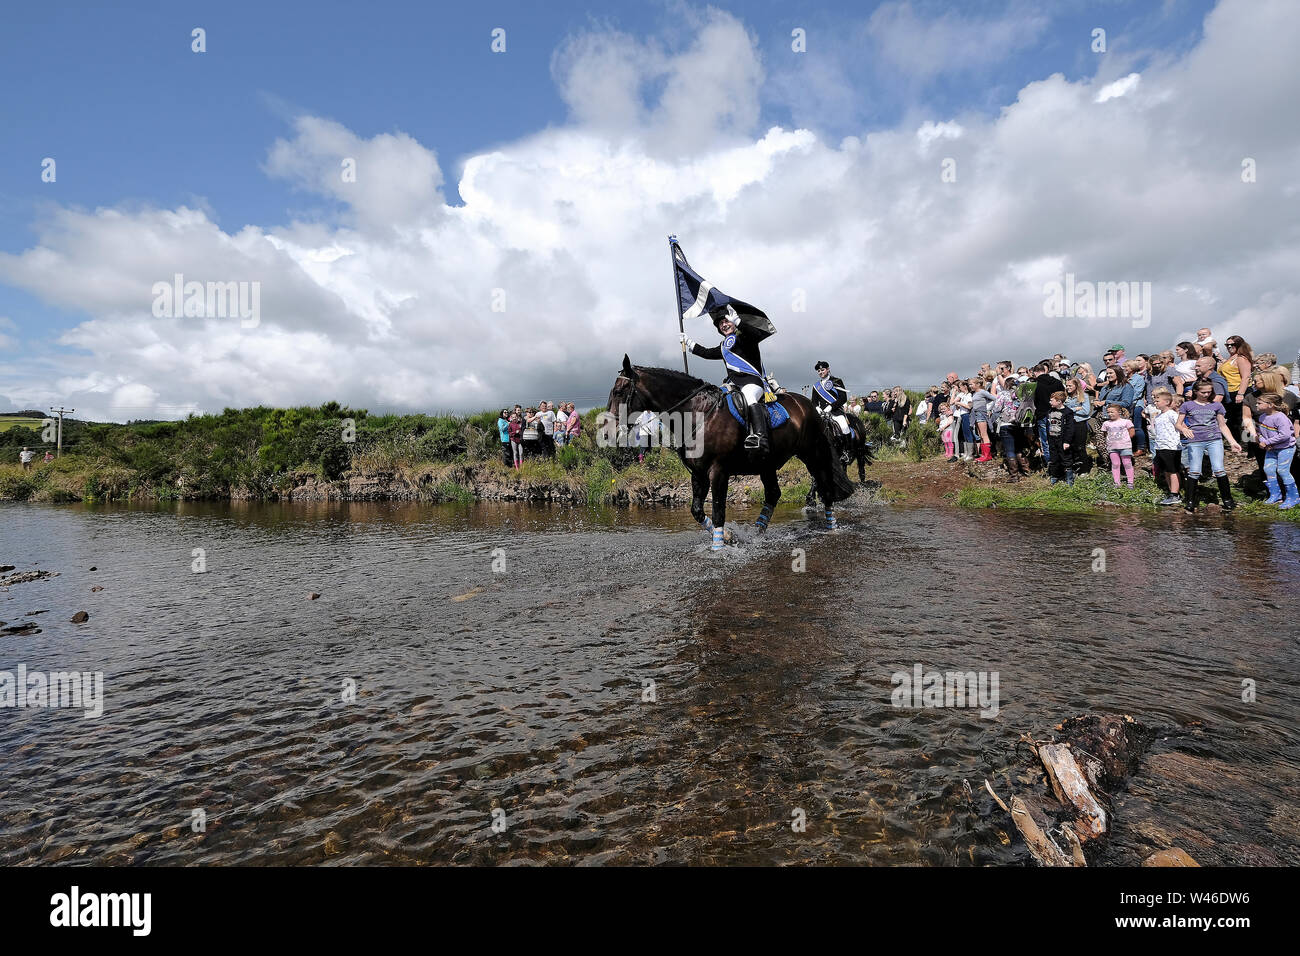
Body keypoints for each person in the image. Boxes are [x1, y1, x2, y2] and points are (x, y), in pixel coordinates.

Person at [681, 304, 775, 453]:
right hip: (734, 385)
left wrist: (738, 322)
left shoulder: (745, 337)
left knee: (749, 397)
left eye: (726, 321)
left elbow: (755, 334)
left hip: (752, 382)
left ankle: (760, 437)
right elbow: (706, 353)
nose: (724, 325)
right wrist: (689, 343)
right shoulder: (723, 346)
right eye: (721, 323)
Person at [1176, 380, 1242, 512]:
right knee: (1194, 470)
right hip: (1195, 440)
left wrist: (1233, 442)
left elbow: (1222, 425)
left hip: (1214, 439)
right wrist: (1184, 430)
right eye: (1203, 392)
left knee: (1219, 469)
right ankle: (1190, 501)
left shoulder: (1216, 405)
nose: (1206, 394)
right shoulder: (1187, 405)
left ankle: (1227, 500)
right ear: (1195, 391)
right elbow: (1178, 424)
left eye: (1209, 392)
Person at [1256, 393, 1299, 508]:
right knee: (1268, 469)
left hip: (1286, 448)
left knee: (1282, 471)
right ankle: (1276, 495)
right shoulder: (1262, 417)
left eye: (1260, 403)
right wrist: (1263, 442)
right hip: (1271, 449)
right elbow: (1260, 432)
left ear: (1271, 405)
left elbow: (1285, 435)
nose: (1257, 405)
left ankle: (1293, 497)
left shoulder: (1280, 417)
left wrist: (1268, 442)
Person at [1146, 389, 1183, 505]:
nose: (1155, 403)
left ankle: (1175, 494)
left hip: (1171, 446)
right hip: (1160, 446)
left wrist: (1187, 431)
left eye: (1157, 401)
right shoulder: (1158, 416)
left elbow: (1181, 425)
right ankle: (1171, 491)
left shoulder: (1172, 414)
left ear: (1167, 402)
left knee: (1173, 470)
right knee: (1166, 471)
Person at [812, 361, 852, 462]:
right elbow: (814, 401)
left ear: (828, 369)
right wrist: (817, 408)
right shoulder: (816, 386)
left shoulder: (837, 381)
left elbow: (843, 398)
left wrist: (831, 407)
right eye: (819, 371)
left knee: (844, 426)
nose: (820, 372)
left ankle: (847, 451)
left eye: (822, 370)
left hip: (836, 411)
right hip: (822, 414)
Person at [1031, 362, 1066, 467]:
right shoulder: (1057, 382)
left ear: (1035, 372)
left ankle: (1051, 467)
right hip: (1058, 413)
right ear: (1045, 371)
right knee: (1060, 439)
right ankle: (1063, 464)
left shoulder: (1034, 384)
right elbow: (1063, 396)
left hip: (1042, 414)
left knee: (1046, 441)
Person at [1219, 336, 1254, 440]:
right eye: (1227, 345)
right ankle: (1237, 443)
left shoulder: (1241, 358)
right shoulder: (1230, 358)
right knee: (1232, 419)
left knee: (1245, 419)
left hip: (1240, 391)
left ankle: (1250, 446)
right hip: (1229, 392)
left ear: (1239, 345)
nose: (1229, 347)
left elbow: (1246, 377)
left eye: (1232, 344)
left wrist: (1240, 393)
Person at [1044, 392, 1078, 486]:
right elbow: (1048, 425)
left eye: (1052, 400)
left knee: (1066, 458)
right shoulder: (1050, 411)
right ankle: (1054, 476)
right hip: (1052, 438)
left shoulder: (1067, 412)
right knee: (1054, 458)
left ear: (1059, 401)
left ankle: (1069, 478)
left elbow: (1070, 428)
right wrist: (1048, 437)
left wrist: (1067, 441)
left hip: (1062, 439)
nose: (1050, 402)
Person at [1101, 403, 1136, 488]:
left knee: (1127, 463)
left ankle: (1130, 482)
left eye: (1112, 412)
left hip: (1124, 446)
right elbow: (1105, 434)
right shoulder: (1106, 423)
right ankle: (1117, 483)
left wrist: (1125, 440)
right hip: (1112, 447)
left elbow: (1132, 432)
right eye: (1108, 412)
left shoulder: (1126, 422)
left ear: (1119, 412)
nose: (1110, 414)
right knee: (1115, 464)